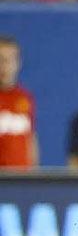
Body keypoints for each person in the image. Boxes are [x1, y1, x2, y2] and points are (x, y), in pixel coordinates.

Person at [0, 36, 37, 168]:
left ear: (18, 63)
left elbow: (31, 139)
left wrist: (33, 174)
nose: (4, 66)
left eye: (9, 60)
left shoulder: (25, 97)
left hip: (21, 180)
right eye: (1, 59)